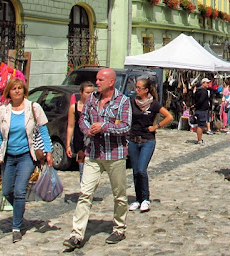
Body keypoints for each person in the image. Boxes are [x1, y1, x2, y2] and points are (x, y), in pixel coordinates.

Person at [63, 68, 132, 250]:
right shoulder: (91, 99)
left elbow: (126, 126)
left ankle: (119, 228)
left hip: (115, 154)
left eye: (101, 79)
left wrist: (104, 127)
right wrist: (89, 129)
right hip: (93, 153)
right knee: (85, 193)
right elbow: (82, 119)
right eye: (96, 79)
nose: (97, 82)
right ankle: (76, 234)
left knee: (119, 194)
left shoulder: (123, 101)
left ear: (111, 82)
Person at [0, 78, 53, 243]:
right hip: (8, 156)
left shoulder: (33, 108)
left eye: (20, 88)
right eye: (13, 88)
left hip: (27, 155)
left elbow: (44, 131)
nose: (17, 91)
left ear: (24, 91)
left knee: (19, 191)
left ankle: (16, 227)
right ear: (8, 92)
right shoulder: (3, 111)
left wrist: (48, 152)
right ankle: (20, 208)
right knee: (6, 190)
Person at [128, 78, 173, 212]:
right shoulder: (132, 102)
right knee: (135, 171)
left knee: (142, 170)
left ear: (146, 90)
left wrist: (156, 127)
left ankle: (146, 198)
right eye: (136, 87)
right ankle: (138, 199)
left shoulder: (153, 104)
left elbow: (169, 117)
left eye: (139, 88)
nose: (136, 90)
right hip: (133, 140)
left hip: (147, 140)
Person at [66, 81, 94, 182]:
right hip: (80, 141)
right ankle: (84, 192)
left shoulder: (95, 106)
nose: (90, 95)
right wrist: (68, 144)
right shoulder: (74, 107)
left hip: (93, 142)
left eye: (92, 92)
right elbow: (70, 126)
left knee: (93, 169)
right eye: (87, 92)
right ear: (81, 92)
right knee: (82, 168)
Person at [193, 78, 211, 145]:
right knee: (201, 125)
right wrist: (196, 105)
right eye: (207, 83)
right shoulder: (203, 91)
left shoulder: (198, 90)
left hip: (199, 109)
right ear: (203, 83)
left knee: (201, 125)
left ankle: (200, 139)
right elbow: (201, 100)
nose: (208, 84)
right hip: (201, 110)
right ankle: (199, 140)